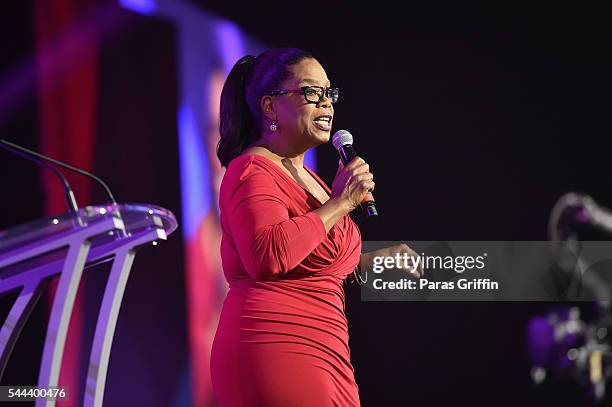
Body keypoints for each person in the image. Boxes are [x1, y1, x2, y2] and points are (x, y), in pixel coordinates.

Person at [210, 47, 420, 406]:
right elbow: (268, 254)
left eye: (329, 93)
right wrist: (340, 203)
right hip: (275, 343)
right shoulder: (251, 170)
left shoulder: (313, 180)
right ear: (270, 106)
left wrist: (375, 259)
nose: (326, 104)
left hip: (329, 349)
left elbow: (311, 253)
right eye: (311, 92)